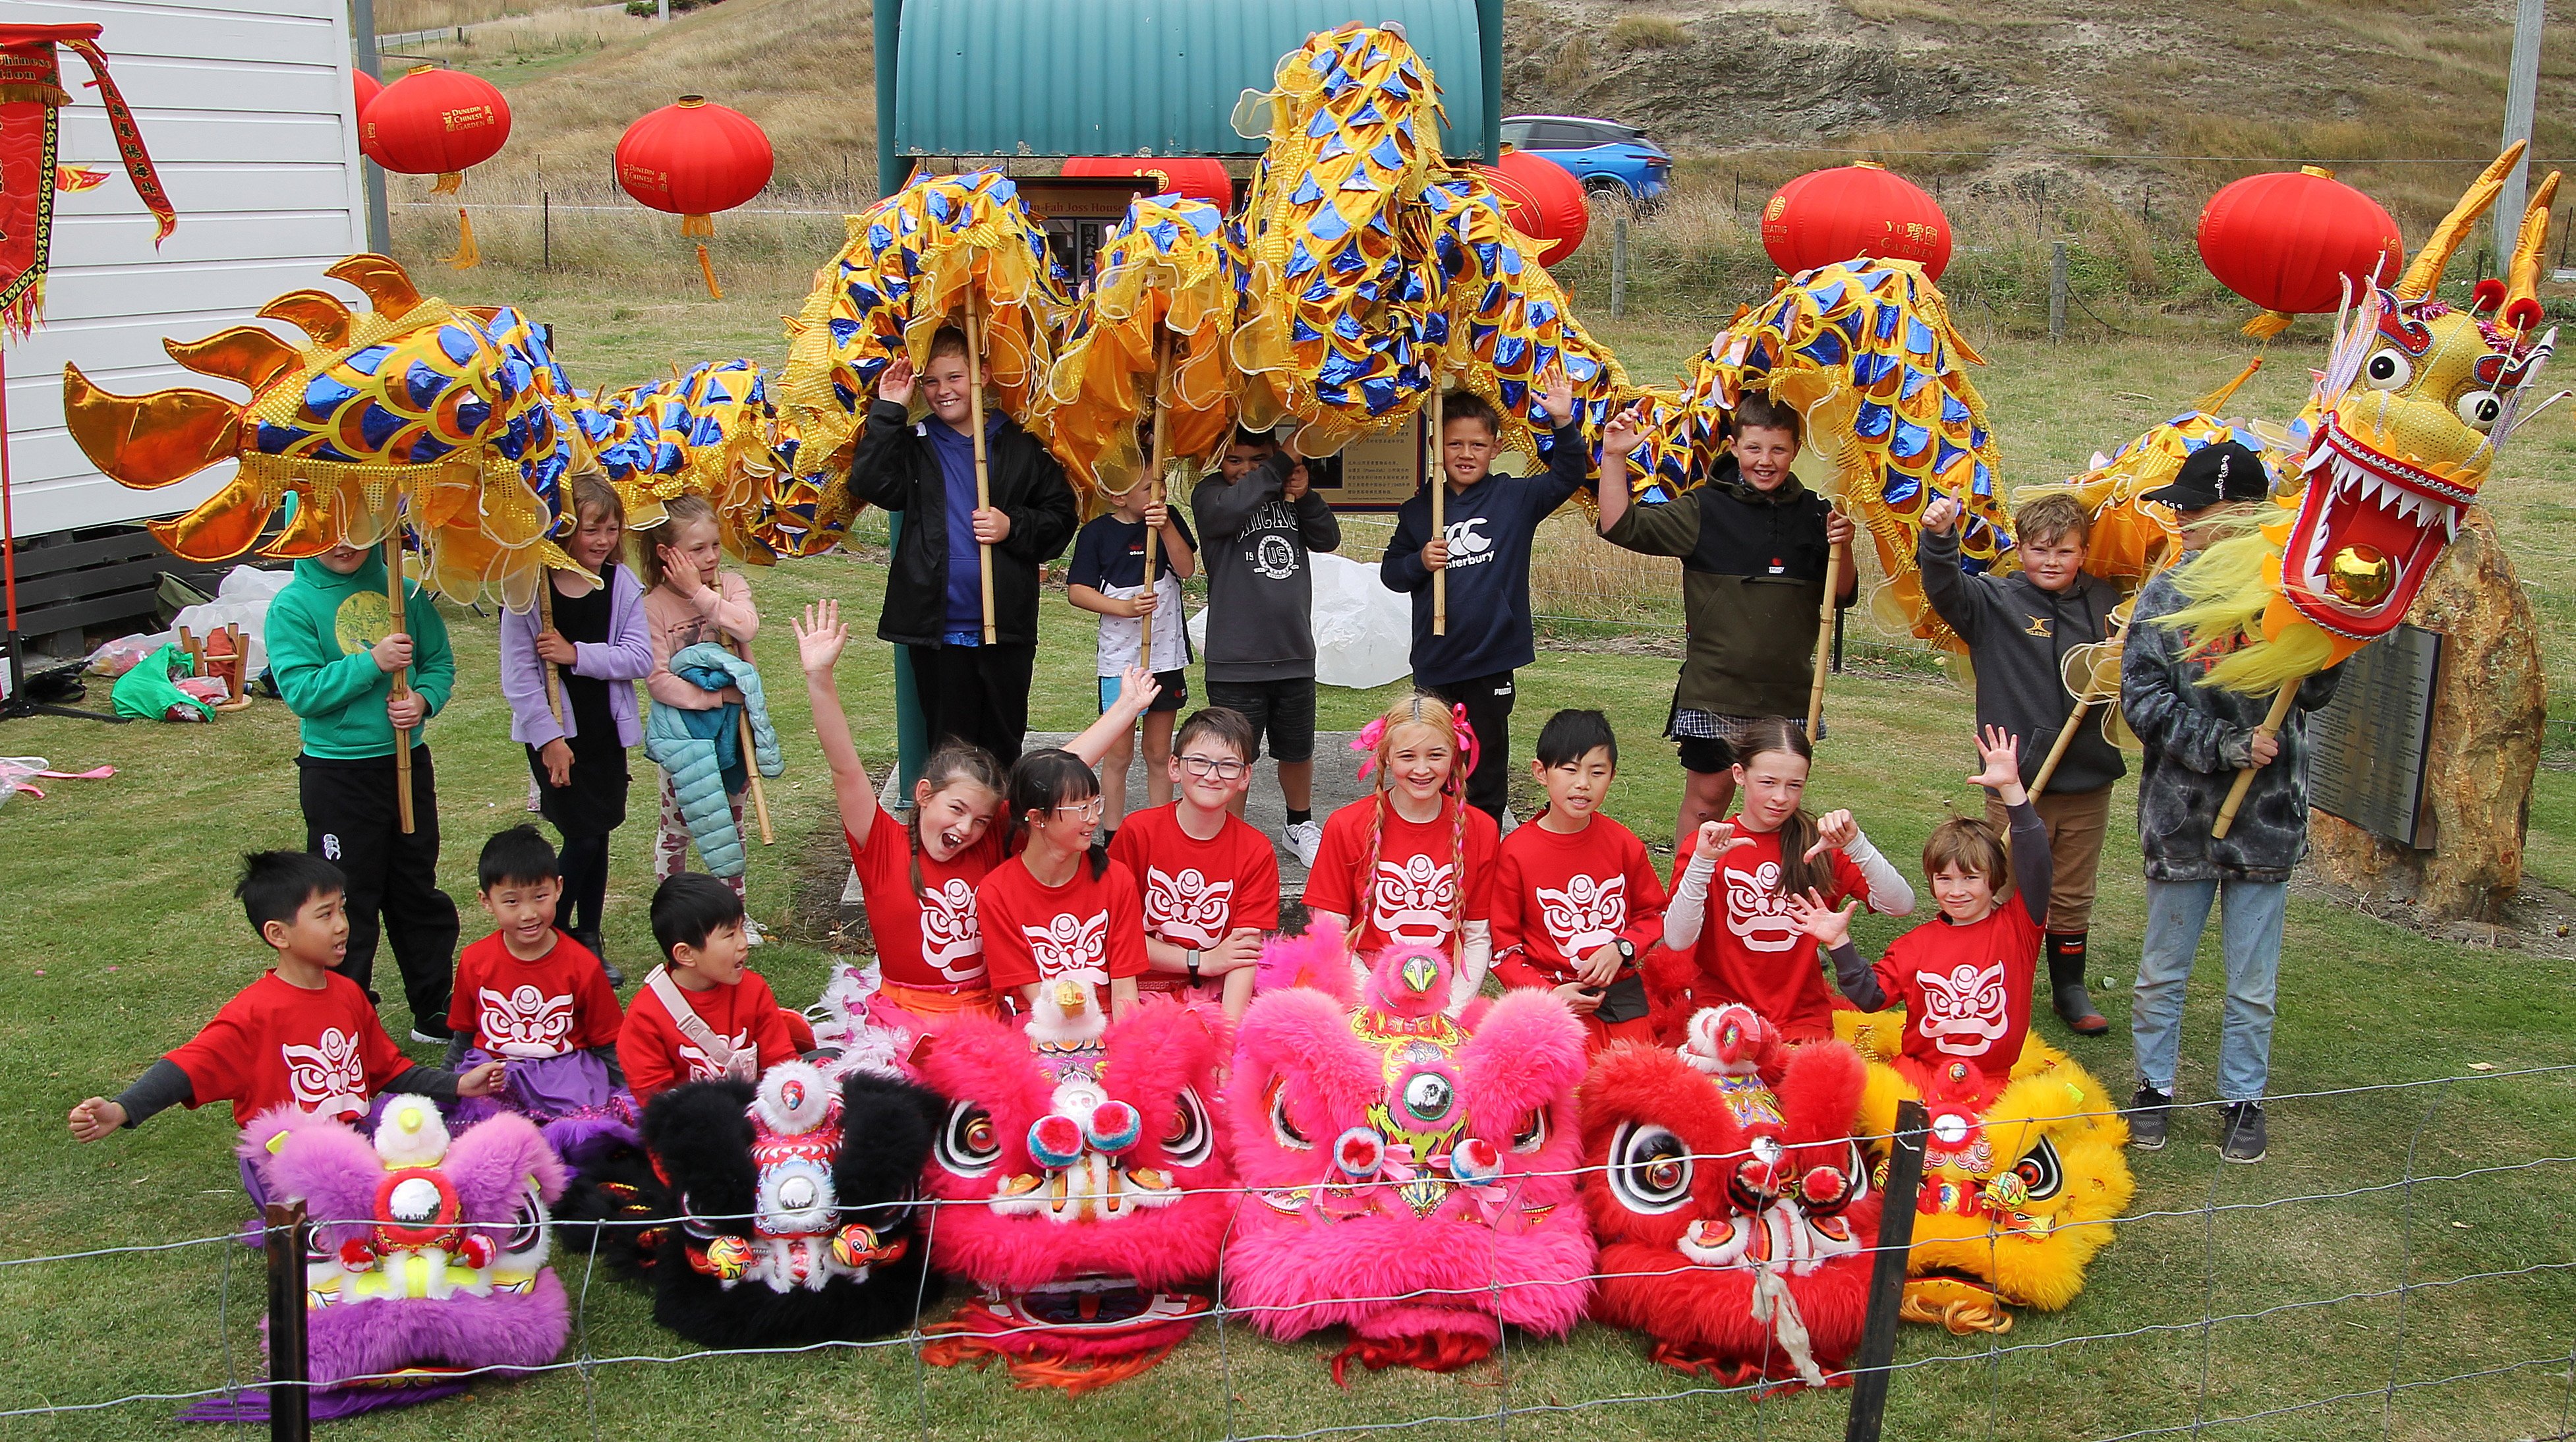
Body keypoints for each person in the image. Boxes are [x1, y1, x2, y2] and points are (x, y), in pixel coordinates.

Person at [2119, 441, 2337, 1165]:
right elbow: (2142, 700)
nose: (2181, 521)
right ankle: (2153, 1088)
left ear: (2243, 514)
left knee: (2252, 982)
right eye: (2177, 509)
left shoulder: (2288, 593)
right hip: (2180, 817)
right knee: (2162, 970)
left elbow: (2316, 692)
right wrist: (2225, 744)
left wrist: (2328, 635)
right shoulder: (2165, 594)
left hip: (2266, 821)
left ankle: (2243, 1098)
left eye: (2196, 509)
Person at [796, 599, 1160, 1026]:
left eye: (981, 819)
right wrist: (819, 678)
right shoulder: (880, 845)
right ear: (924, 794)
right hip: (903, 1021)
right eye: (956, 809)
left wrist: (1125, 709)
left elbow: (1053, 777)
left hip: (985, 1021)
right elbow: (845, 770)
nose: (966, 828)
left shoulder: (988, 843)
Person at [67, 853, 502, 1198]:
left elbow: (387, 1070)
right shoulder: (253, 1014)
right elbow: (186, 1068)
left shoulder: (349, 995)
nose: (342, 925)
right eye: (325, 915)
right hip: (288, 1166)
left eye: (342, 909)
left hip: (356, 1144)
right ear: (278, 934)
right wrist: (122, 1109)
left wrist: (456, 1085)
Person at [1595, 395, 1859, 846]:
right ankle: (1691, 884)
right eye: (1753, 448)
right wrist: (1615, 456)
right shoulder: (1703, 509)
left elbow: (1841, 594)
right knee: (1707, 801)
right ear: (1734, 446)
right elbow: (1621, 525)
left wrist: (1843, 544)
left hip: (1790, 694)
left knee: (1774, 806)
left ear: (1795, 450)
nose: (1765, 461)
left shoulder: (1817, 514)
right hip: (1715, 691)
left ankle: (1758, 886)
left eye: (1778, 449)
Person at [1918, 491, 2125, 1036]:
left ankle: (2069, 989)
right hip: (2014, 782)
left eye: (2065, 551)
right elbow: (1943, 587)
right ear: (2020, 548)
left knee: (2071, 891)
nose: (2051, 561)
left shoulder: (2108, 605)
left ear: (2083, 553)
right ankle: (1993, 980)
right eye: (2039, 549)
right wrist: (1938, 539)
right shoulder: (1993, 601)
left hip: (2087, 782)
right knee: (2002, 884)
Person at [844, 328, 1080, 766]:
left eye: (954, 377)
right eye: (930, 382)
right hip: (937, 631)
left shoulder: (1020, 444)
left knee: (1002, 748)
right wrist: (890, 409)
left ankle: (1002, 814)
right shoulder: (916, 444)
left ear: (982, 375)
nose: (943, 391)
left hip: (1004, 627)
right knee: (949, 753)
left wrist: (1012, 525)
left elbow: (1061, 518)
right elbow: (871, 483)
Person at [266, 538, 462, 1043]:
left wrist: (423, 700)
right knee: (346, 897)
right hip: (338, 775)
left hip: (405, 765)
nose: (345, 544)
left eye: (356, 529)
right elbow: (302, 692)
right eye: (329, 532)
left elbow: (438, 662)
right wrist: (372, 662)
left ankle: (433, 1005)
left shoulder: (404, 592)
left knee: (415, 886)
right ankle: (345, 1012)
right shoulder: (292, 606)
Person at [1379, 366, 1594, 824]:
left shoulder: (1515, 499)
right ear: (1436, 446)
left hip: (1491, 658)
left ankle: (1483, 840)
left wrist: (1562, 421)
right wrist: (1420, 561)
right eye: (1454, 444)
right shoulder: (1420, 510)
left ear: (1496, 448)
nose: (1465, 454)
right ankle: (1439, 836)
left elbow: (1568, 474)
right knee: (1435, 757)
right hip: (1436, 659)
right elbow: (1392, 574)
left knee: (1486, 762)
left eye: (1477, 445)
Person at [1792, 726, 2051, 1101]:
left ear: (1994, 879)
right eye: (1944, 879)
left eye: (1970, 878)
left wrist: (2012, 789)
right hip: (1917, 1081)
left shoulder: (2018, 928)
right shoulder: (1915, 945)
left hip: (1992, 1086)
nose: (1957, 891)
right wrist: (1839, 943)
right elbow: (1870, 998)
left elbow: (2037, 864)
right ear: (1931, 882)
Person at [1658, 718, 1914, 1043]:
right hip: (1722, 1016)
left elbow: (1900, 905)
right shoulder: (1707, 846)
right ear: (1739, 775)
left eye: (1794, 785)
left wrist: (1856, 844)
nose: (1781, 797)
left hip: (1802, 1020)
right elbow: (1677, 940)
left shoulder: (1819, 846)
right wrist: (1702, 863)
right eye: (1768, 782)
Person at [500, 471, 652, 983]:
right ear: (565, 529)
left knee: (599, 831)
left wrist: (575, 655)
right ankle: (547, 934)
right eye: (591, 530)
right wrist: (549, 738)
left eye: (611, 529)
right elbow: (519, 676)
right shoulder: (531, 587)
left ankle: (587, 937)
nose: (603, 540)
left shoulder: (620, 584)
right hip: (557, 736)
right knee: (582, 835)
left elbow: (638, 657)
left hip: (603, 731)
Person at [1193, 426, 1341, 863]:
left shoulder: (1287, 496)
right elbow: (1229, 511)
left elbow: (1327, 538)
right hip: (1236, 658)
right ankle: (1231, 836)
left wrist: (1305, 494)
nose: (1246, 469)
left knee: (1297, 750)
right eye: (1234, 460)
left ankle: (1299, 824)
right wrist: (1280, 464)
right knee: (1233, 754)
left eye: (1257, 459)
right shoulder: (1211, 496)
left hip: (1293, 651)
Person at [1304, 692, 1501, 1011]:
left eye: (1435, 755)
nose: (1422, 769)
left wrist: (1451, 1012)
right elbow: (1332, 933)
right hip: (1363, 992)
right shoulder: (1347, 825)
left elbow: (1477, 936)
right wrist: (1376, 1006)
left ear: (1454, 755)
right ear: (1386, 756)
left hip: (1446, 995)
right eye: (1408, 756)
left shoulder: (1481, 829)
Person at [1490, 709, 1667, 1052]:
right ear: (1541, 772)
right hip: (1549, 1000)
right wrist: (1548, 995)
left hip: (1621, 998)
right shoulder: (1516, 853)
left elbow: (1653, 914)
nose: (1583, 783)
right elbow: (1504, 948)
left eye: (1597, 772)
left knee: (1636, 1079)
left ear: (1612, 776)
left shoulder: (1623, 844)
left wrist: (1622, 948)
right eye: (1570, 770)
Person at [638, 492, 764, 928]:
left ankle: (734, 917)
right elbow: (657, 679)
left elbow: (746, 626)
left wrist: (700, 594)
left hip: (733, 731)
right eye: (697, 549)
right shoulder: (653, 607)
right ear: (666, 554)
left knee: (731, 823)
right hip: (684, 737)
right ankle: (673, 917)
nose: (711, 557)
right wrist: (716, 697)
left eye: (714, 545)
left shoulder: (730, 587)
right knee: (678, 827)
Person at [1107, 707, 1280, 1020]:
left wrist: (1227, 1038)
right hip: (1136, 988)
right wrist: (1201, 960)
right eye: (1199, 762)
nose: (1212, 776)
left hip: (1214, 996)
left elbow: (1242, 956)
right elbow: (1116, 939)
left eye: (1228, 766)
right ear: (1175, 767)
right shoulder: (1138, 832)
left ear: (1245, 776)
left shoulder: (1256, 850)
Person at [444, 826, 624, 1123]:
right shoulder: (475, 960)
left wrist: (639, 1096)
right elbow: (463, 1038)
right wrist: (442, 1090)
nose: (528, 914)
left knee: (580, 1134)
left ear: (558, 888)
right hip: (493, 1073)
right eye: (512, 901)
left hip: (564, 1078)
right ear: (486, 901)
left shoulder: (583, 964)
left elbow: (608, 1043)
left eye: (540, 896)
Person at [975, 749, 1149, 1020]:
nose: (1094, 818)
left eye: (1095, 804)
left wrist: (1126, 1043)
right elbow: (1037, 999)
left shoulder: (1117, 879)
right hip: (1042, 1024)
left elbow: (1126, 994)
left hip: (1111, 1022)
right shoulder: (996, 893)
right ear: (1037, 818)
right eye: (1081, 809)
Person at [1066, 478, 1197, 838]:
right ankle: (1112, 834)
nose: (1159, 494)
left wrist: (1165, 526)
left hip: (1165, 658)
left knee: (1159, 752)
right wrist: (1123, 608)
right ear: (1117, 493)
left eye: (1161, 486)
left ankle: (1160, 833)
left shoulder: (1170, 520)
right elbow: (1077, 592)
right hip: (1120, 662)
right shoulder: (1096, 533)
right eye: (1147, 488)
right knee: (1118, 754)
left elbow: (1186, 569)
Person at [619, 873, 800, 1105]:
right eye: (730, 935)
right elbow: (656, 1103)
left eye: (742, 928)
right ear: (686, 954)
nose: (743, 943)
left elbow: (782, 1064)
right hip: (690, 1123)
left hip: (759, 1114)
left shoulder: (754, 989)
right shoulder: (646, 1016)